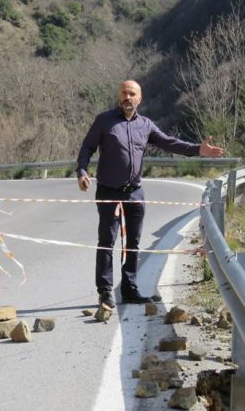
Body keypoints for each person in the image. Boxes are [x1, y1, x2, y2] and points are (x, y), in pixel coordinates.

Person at [76, 80, 224, 308]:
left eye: (132, 94)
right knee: (107, 241)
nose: (127, 97)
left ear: (139, 98)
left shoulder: (145, 125)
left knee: (132, 244)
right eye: (124, 93)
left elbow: (170, 143)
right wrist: (82, 171)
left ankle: (130, 290)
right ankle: (105, 292)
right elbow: (87, 147)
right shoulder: (104, 121)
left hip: (135, 193)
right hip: (108, 191)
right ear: (119, 97)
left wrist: (197, 150)